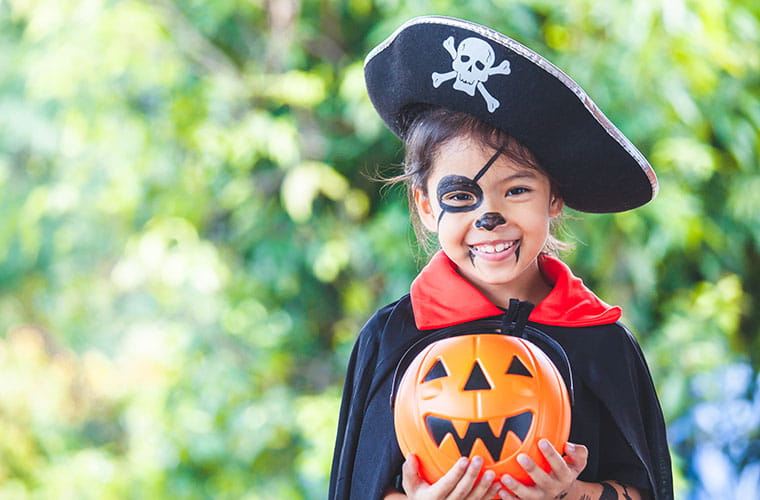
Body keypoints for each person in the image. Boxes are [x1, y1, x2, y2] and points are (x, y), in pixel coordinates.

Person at [330, 15, 673, 500]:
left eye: (516, 190)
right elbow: (358, 486)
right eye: (462, 197)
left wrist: (573, 494)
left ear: (554, 199)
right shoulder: (392, 341)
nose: (490, 218)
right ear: (426, 207)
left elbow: (646, 490)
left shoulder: (603, 343)